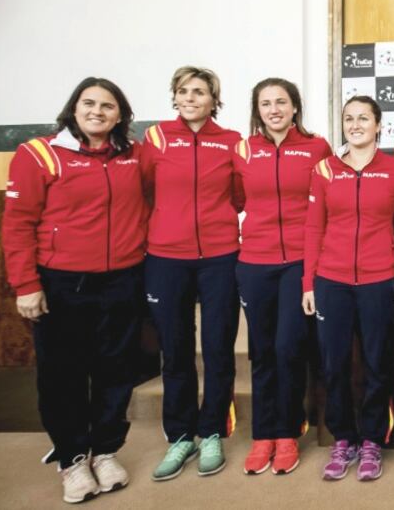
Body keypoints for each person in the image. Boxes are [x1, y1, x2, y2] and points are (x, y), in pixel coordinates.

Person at [2, 77, 146, 503]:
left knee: (116, 371)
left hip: (122, 280)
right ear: (74, 108)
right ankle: (72, 459)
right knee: (62, 375)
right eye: (89, 103)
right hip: (62, 283)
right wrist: (26, 285)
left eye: (107, 106)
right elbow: (17, 224)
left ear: (120, 115)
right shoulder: (38, 154)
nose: (97, 111)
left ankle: (105, 451)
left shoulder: (134, 155)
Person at [141, 66, 244, 480]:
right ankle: (181, 435)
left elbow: (239, 196)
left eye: (199, 91)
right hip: (166, 257)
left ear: (213, 99)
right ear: (175, 96)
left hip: (220, 256)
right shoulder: (156, 137)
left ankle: (212, 430)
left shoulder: (232, 141)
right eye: (183, 91)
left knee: (218, 347)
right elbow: (144, 189)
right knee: (176, 348)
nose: (189, 98)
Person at [302, 96, 394, 483]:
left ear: (379, 125)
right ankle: (343, 439)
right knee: (334, 365)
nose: (356, 124)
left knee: (378, 363)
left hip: (379, 280)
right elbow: (314, 227)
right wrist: (309, 282)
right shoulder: (325, 170)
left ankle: (373, 441)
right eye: (349, 118)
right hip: (331, 281)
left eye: (364, 118)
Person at [233, 78, 331, 475]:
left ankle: (288, 431)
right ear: (257, 110)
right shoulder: (243, 150)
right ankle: (263, 434)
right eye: (266, 103)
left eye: (281, 102)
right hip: (254, 261)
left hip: (299, 261)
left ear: (294, 108)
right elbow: (236, 198)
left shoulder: (317, 147)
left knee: (289, 346)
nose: (274, 109)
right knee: (261, 350)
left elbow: (326, 203)